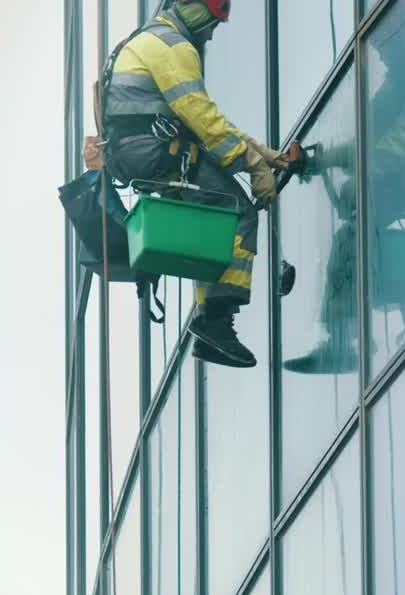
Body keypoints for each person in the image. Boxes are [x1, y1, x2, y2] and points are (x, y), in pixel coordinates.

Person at [102, 0, 290, 369]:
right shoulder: (174, 46)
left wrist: (262, 154)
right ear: (197, 12)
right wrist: (251, 164)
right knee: (237, 213)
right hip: (154, 151)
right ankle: (215, 321)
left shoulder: (147, 39)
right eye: (212, 22)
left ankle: (211, 325)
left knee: (215, 217)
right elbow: (201, 116)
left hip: (140, 151)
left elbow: (201, 123)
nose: (211, 32)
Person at [284, 0, 405, 374]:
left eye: (390, 47)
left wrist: (362, 179)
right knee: (356, 232)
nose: (385, 56)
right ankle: (346, 332)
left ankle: (343, 340)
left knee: (353, 236)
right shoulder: (401, 82)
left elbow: (401, 143)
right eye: (382, 48)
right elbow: (367, 138)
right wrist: (324, 159)